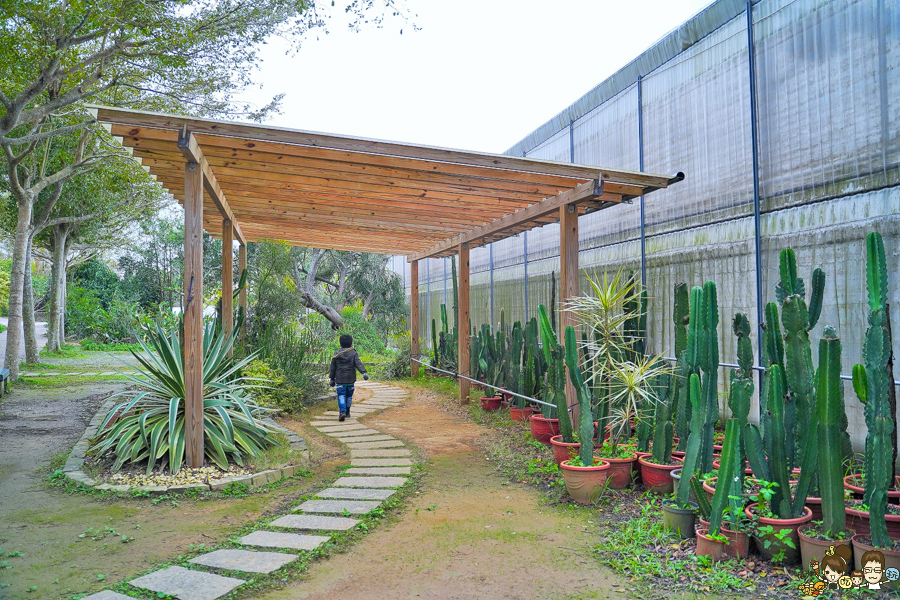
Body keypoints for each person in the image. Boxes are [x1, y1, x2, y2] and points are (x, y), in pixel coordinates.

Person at [329, 334, 368, 422]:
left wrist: (332, 379)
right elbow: (358, 363)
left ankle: (342, 411)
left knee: (341, 395)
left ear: (340, 344)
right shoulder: (353, 353)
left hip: (340, 379)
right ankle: (347, 412)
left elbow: (333, 367)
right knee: (349, 396)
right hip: (350, 379)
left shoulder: (336, 354)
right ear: (351, 344)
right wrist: (364, 372)